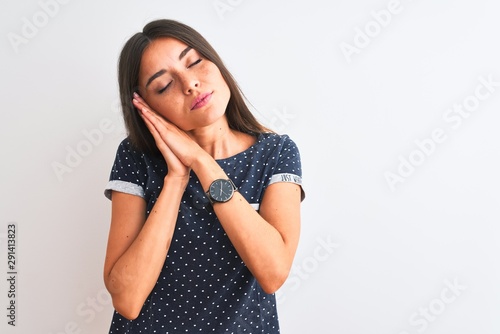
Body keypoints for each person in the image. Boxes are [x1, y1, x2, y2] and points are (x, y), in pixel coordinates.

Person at [103, 19, 305, 334]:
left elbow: (272, 272)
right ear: (147, 108)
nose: (190, 84)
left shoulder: (276, 153)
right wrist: (175, 179)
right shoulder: (135, 158)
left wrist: (201, 161)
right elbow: (127, 299)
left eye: (195, 62)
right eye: (163, 85)